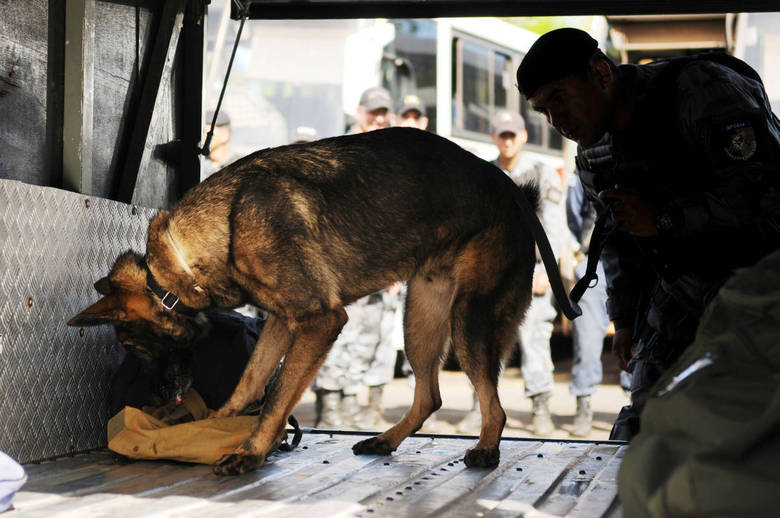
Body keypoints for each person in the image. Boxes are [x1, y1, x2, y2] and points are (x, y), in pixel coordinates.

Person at [517, 28, 780, 440]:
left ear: (601, 73)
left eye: (558, 97)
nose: (555, 120)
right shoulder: (595, 150)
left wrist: (664, 219)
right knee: (643, 428)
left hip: (761, 287)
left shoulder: (703, 91)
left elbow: (768, 200)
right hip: (682, 289)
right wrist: (623, 319)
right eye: (542, 110)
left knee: (749, 433)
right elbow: (618, 239)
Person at [456, 109, 565, 437]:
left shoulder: (541, 173)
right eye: (501, 134)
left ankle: (540, 408)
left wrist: (548, 269)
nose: (507, 140)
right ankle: (481, 407)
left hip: (530, 271)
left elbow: (555, 227)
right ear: (493, 137)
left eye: (512, 134)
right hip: (490, 274)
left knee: (535, 339)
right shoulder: (483, 174)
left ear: (523, 136)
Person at [311, 86, 398, 430]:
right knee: (337, 335)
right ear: (359, 112)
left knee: (365, 339)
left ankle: (346, 405)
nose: (378, 119)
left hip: (378, 267)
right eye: (373, 112)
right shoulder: (339, 152)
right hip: (341, 265)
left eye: (383, 113)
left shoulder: (390, 156)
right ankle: (329, 409)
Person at [565, 174, 610, 437]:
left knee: (640, 338)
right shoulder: (586, 170)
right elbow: (574, 216)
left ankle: (635, 401)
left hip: (635, 256)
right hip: (594, 262)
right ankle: (583, 404)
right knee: (587, 340)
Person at [202, 109, 240, 178]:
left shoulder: (241, 166)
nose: (203, 138)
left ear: (225, 134)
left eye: (208, 133)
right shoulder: (202, 166)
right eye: (202, 133)